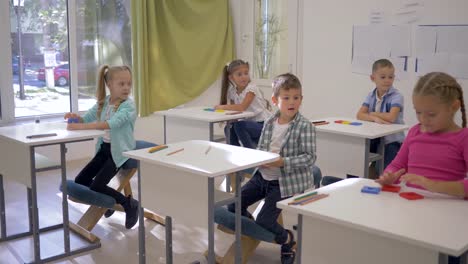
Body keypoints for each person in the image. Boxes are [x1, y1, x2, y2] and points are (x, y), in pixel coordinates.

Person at [376, 72, 468, 264]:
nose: (423, 119)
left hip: (448, 219)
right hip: (412, 213)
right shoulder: (415, 132)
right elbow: (397, 164)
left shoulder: (463, 138)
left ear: (454, 107)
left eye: (431, 114)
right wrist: (388, 176)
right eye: (418, 112)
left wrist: (433, 185)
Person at [228, 73, 316, 264]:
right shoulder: (269, 123)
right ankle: (255, 231)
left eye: (296, 97)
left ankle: (287, 240)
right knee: (233, 205)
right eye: (286, 98)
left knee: (264, 221)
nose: (292, 102)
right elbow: (261, 148)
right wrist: (260, 159)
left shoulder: (305, 126)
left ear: (301, 99)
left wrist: (282, 162)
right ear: (275, 100)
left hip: (285, 183)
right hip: (262, 177)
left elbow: (309, 158)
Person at [64, 65, 138, 229]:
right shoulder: (103, 104)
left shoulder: (128, 106)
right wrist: (76, 118)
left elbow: (112, 124)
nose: (126, 88)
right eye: (121, 84)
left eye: (129, 84)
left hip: (120, 152)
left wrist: (81, 127)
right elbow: (86, 119)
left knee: (97, 185)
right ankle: (108, 203)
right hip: (104, 149)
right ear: (109, 84)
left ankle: (128, 203)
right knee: (81, 180)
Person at [357, 59, 405, 171]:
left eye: (391, 77)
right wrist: (374, 118)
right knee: (358, 155)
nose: (387, 80)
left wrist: (373, 113)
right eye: (383, 77)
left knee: (386, 171)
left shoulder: (397, 96)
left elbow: (391, 117)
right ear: (373, 78)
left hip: (392, 141)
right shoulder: (371, 95)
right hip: (375, 138)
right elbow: (360, 114)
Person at [215, 59, 271, 149]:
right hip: (250, 123)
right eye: (239, 74)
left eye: (246, 73)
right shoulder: (232, 92)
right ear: (231, 77)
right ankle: (234, 153)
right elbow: (235, 112)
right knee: (228, 128)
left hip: (263, 124)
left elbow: (241, 107)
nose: (244, 77)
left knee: (240, 126)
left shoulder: (251, 89)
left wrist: (222, 107)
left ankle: (251, 153)